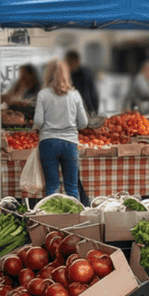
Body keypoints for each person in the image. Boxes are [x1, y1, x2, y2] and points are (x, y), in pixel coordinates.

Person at [33, 59, 88, 199]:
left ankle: (53, 219)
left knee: (52, 187)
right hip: (70, 143)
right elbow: (83, 123)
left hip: (48, 142)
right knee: (72, 187)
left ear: (48, 74)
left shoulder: (43, 95)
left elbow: (38, 122)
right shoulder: (74, 95)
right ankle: (75, 218)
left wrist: (41, 127)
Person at [65, 50, 99, 116]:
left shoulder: (85, 73)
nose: (70, 66)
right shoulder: (64, 75)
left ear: (77, 62)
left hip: (86, 109)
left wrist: (94, 111)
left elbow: (92, 94)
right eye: (68, 63)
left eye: (72, 63)